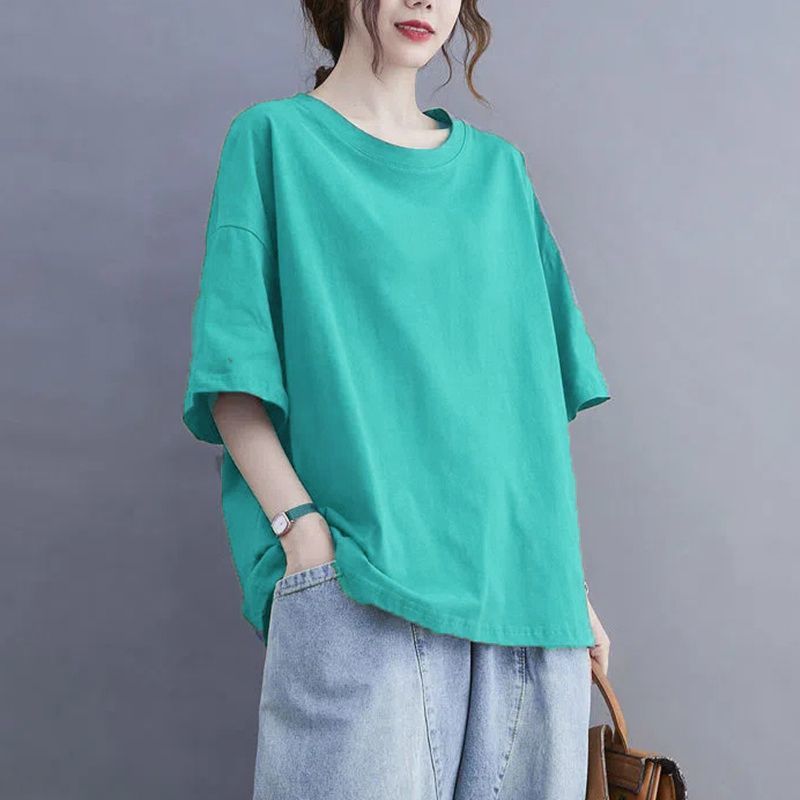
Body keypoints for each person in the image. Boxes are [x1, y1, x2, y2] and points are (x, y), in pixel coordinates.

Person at [182, 1, 613, 798]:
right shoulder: (275, 141)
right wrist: (300, 533)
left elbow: (520, 409)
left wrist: (570, 586)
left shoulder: (500, 175)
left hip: (529, 611)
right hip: (363, 589)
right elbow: (232, 377)